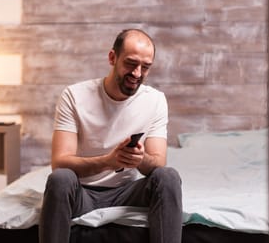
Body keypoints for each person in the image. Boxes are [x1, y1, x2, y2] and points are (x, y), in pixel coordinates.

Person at [39, 28, 183, 243]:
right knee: (60, 179)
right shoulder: (74, 95)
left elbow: (158, 162)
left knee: (168, 176)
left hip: (127, 193)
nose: (137, 73)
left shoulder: (155, 100)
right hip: (82, 193)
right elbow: (59, 163)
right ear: (112, 57)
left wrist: (139, 159)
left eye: (145, 67)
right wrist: (108, 161)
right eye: (131, 64)